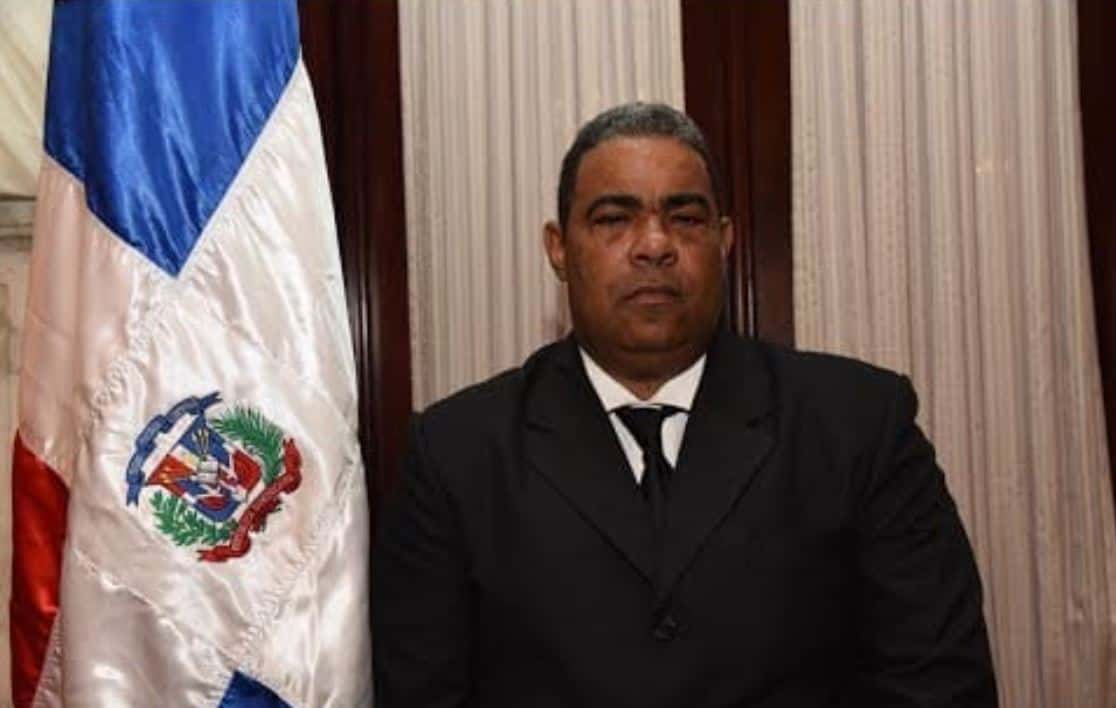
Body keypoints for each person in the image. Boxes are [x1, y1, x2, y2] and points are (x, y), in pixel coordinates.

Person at [372, 102, 998, 707]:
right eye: (614, 218)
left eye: (686, 218)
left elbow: (938, 684)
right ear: (558, 248)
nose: (654, 245)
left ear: (724, 241)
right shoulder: (457, 454)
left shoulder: (859, 425)